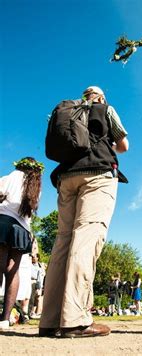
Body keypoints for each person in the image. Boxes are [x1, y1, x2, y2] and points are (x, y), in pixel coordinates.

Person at [39, 86, 129, 338]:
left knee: (62, 244)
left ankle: (49, 320)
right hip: (97, 174)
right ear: (100, 97)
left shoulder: (68, 112)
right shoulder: (105, 109)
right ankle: (75, 320)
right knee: (86, 240)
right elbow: (124, 145)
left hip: (66, 177)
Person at [0, 157, 43, 331]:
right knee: (13, 271)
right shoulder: (35, 187)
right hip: (22, 229)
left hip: (3, 222)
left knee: (0, 266)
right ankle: (4, 319)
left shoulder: (11, 176)